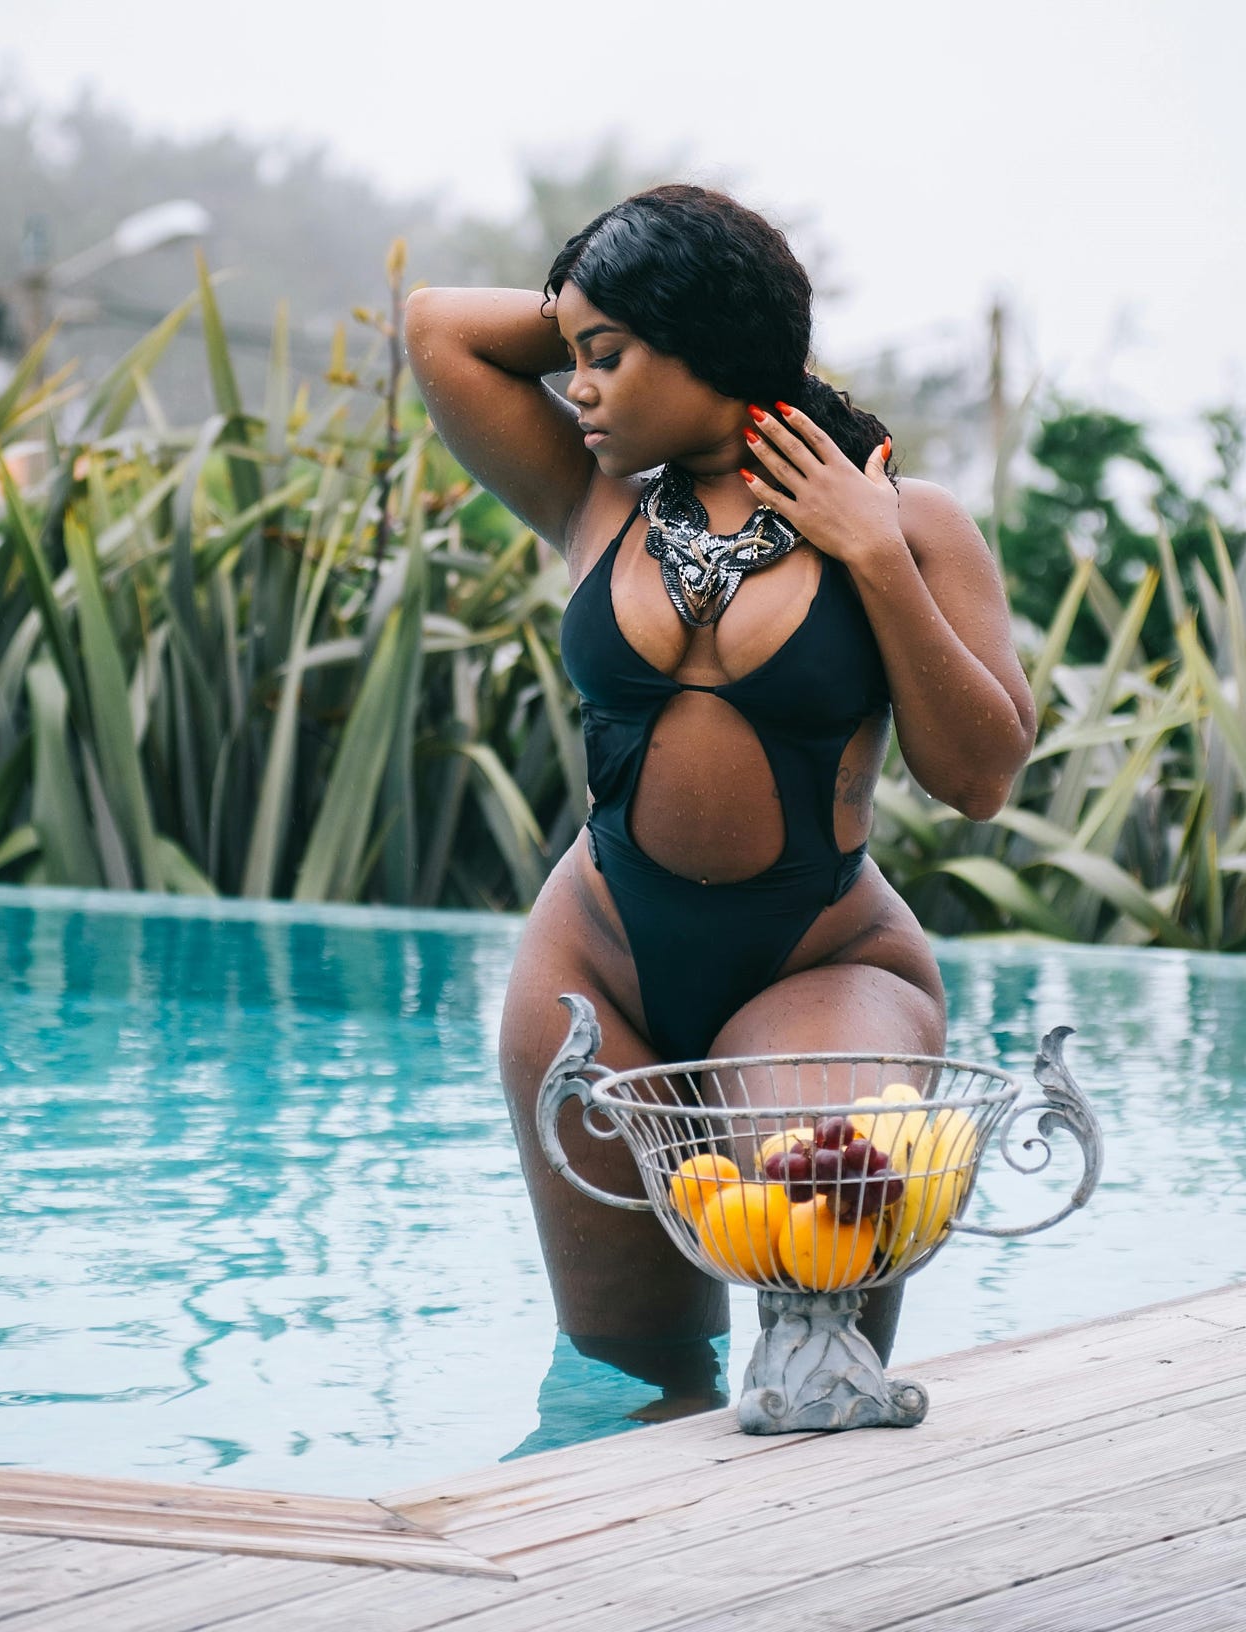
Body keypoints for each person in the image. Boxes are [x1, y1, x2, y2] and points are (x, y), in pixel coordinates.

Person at [404, 184, 1035, 1393]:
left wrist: (875, 553)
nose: (575, 386)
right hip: (593, 970)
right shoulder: (596, 504)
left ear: (703, 344)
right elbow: (438, 326)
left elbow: (977, 780)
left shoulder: (913, 521)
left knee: (818, 1339)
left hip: (815, 967)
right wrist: (624, 316)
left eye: (606, 358)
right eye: (574, 355)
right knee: (630, 1374)